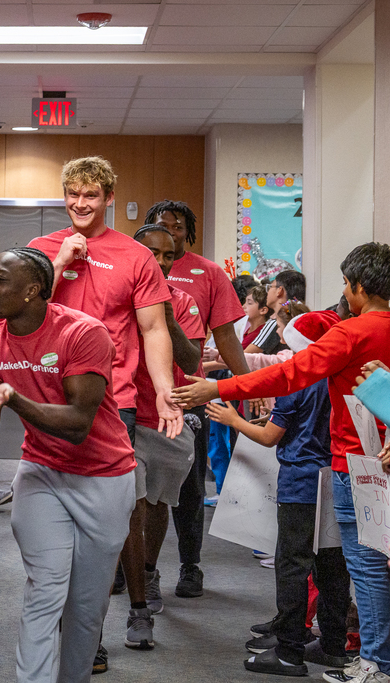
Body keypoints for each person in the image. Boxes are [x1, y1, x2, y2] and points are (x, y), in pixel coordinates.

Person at [173, 242, 390, 683]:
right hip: (368, 462)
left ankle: (375, 662)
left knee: (364, 569)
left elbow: (289, 373)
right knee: (360, 568)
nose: (344, 293)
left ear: (359, 287)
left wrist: (219, 388)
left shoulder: (353, 333)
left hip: (357, 468)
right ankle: (369, 656)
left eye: (346, 285)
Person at [0, 247, 135, 683]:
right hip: (41, 471)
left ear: (32, 291)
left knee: (86, 606)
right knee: (44, 591)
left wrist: (15, 398)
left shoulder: (83, 332)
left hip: (105, 476)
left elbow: (78, 424)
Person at [28, 157, 179, 671]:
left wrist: (165, 391)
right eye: (72, 194)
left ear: (109, 198)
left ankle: (126, 611)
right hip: (52, 399)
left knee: (112, 521)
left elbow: (154, 329)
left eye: (90, 195)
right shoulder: (43, 249)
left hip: (116, 405)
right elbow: (21, 314)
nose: (80, 204)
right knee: (58, 522)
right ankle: (82, 640)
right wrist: (57, 265)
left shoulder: (136, 256)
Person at [206, 309, 352, 676]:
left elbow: (271, 437)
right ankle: (333, 645)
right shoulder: (342, 376)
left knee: (292, 565)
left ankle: (289, 650)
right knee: (332, 567)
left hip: (299, 482)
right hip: (335, 479)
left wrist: (234, 420)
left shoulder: (298, 381)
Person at [146, 199, 253, 597]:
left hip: (190, 394)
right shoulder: (134, 268)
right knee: (134, 490)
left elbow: (225, 336)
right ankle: (132, 568)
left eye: (177, 226)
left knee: (190, 490)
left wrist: (250, 385)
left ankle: (190, 566)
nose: (170, 232)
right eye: (162, 225)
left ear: (188, 233)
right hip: (139, 397)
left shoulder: (207, 274)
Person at [121, 225, 203, 646]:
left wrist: (167, 318)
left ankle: (147, 571)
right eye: (153, 253)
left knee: (157, 504)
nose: (161, 262)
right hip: (124, 414)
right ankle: (135, 588)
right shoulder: (118, 295)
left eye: (169, 255)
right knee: (131, 504)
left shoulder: (183, 301)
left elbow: (191, 361)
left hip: (167, 418)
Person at [247, 269, 305, 355]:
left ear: (279, 291)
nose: (267, 292)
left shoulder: (275, 322)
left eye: (270, 287)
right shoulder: (294, 316)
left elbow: (246, 355)